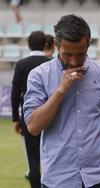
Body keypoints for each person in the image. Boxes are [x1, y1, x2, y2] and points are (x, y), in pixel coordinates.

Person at [23, 15, 100, 188]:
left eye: (80, 54)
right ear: (56, 45)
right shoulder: (39, 75)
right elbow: (33, 127)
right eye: (67, 54)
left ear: (88, 45)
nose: (74, 61)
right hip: (58, 179)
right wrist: (60, 90)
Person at [11, 30, 50, 188]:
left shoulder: (22, 64)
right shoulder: (51, 62)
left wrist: (16, 118)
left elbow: (15, 92)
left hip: (29, 118)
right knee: (50, 159)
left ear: (28, 45)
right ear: (45, 44)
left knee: (33, 161)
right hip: (50, 117)